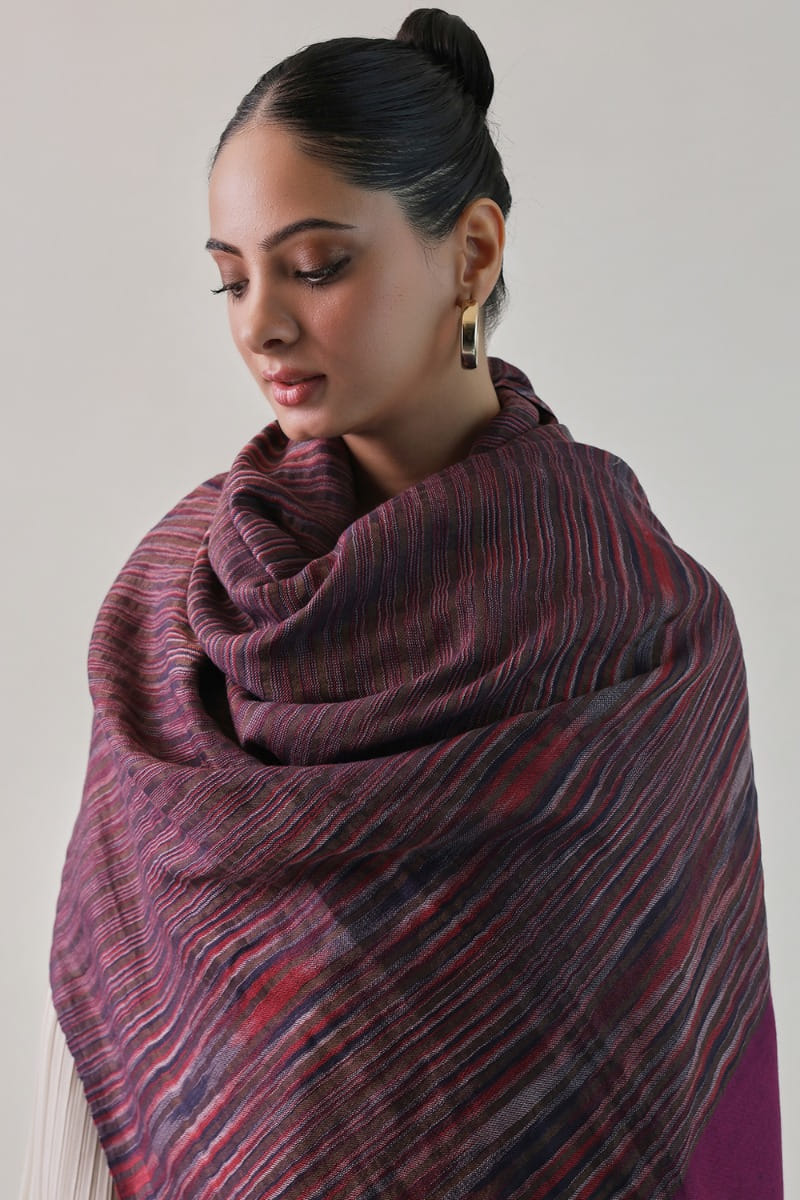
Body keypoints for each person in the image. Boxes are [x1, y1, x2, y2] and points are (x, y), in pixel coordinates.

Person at [22, 9, 782, 1199]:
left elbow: (682, 1072)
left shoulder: (646, 635)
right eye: (231, 278)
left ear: (470, 254)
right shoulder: (172, 611)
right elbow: (110, 1026)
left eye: (315, 266)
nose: (260, 323)